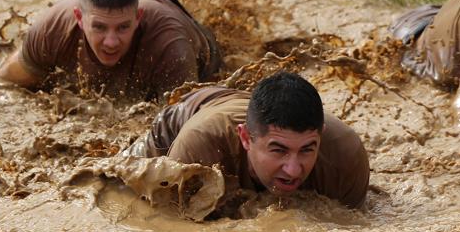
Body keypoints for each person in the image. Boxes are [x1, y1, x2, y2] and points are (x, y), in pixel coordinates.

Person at [124, 71, 370, 209]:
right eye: (279, 150)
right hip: (182, 121)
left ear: (321, 135)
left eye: (307, 150)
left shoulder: (346, 156)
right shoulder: (199, 148)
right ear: (245, 138)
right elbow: (170, 229)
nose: (294, 169)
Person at [0, 0, 221, 101]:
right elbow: (3, 83)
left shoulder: (170, 46)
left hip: (200, 50)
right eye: (100, 27)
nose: (111, 42)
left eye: (123, 27)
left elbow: (179, 124)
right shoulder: (51, 31)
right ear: (80, 19)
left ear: (137, 18)